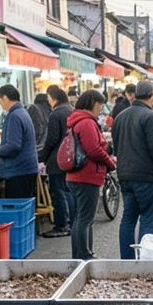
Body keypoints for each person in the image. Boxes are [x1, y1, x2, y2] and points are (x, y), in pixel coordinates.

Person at [113, 79, 153, 258]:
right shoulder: (150, 116)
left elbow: (116, 148)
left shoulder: (120, 116)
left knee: (128, 219)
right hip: (146, 176)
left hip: (124, 175)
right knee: (148, 219)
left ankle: (127, 261)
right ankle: (146, 261)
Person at [65, 89, 115, 260]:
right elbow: (93, 149)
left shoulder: (76, 121)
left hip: (77, 175)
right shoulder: (86, 123)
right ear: (93, 103)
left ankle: (81, 254)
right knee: (85, 219)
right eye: (100, 105)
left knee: (81, 218)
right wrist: (109, 162)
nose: (100, 109)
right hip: (86, 176)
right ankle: (84, 255)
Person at [0, 85, 38, 201]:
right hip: (26, 169)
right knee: (24, 208)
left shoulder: (14, 116)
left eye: (0, 98)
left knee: (17, 207)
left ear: (6, 98)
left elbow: (14, 145)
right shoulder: (21, 112)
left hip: (19, 171)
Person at [41, 85, 75, 238]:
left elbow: (52, 139)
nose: (48, 101)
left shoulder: (56, 114)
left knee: (58, 193)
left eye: (48, 97)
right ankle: (73, 223)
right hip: (70, 158)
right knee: (68, 192)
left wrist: (43, 156)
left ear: (54, 98)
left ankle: (62, 225)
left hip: (57, 159)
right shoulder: (72, 111)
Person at [27, 91, 50, 157]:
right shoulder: (48, 110)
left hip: (36, 147)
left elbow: (38, 129)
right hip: (45, 146)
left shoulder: (33, 108)